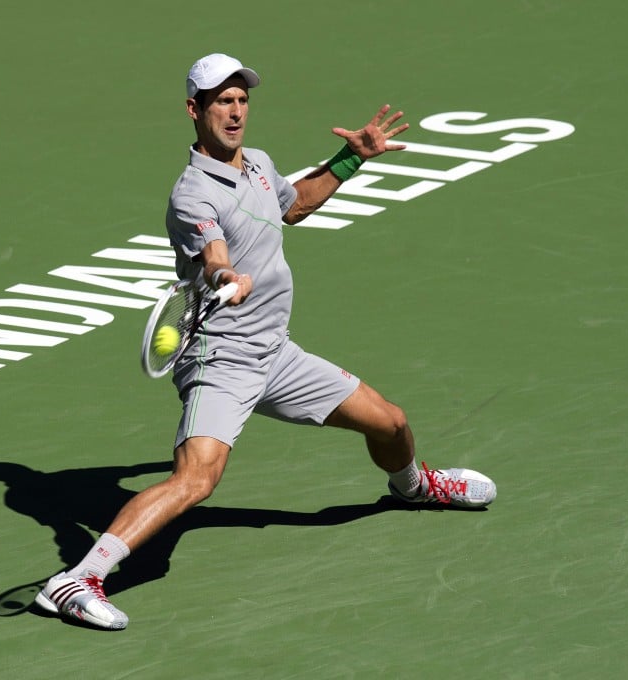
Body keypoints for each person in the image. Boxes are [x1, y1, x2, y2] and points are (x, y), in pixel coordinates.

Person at [34, 53, 496, 630]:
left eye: (241, 99)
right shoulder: (191, 195)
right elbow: (213, 258)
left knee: (392, 423)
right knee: (196, 479)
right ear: (193, 110)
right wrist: (229, 279)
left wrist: (352, 157)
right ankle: (75, 580)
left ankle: (413, 488)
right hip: (221, 356)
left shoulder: (258, 166)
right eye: (220, 101)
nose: (234, 111)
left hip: (275, 353)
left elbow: (293, 205)